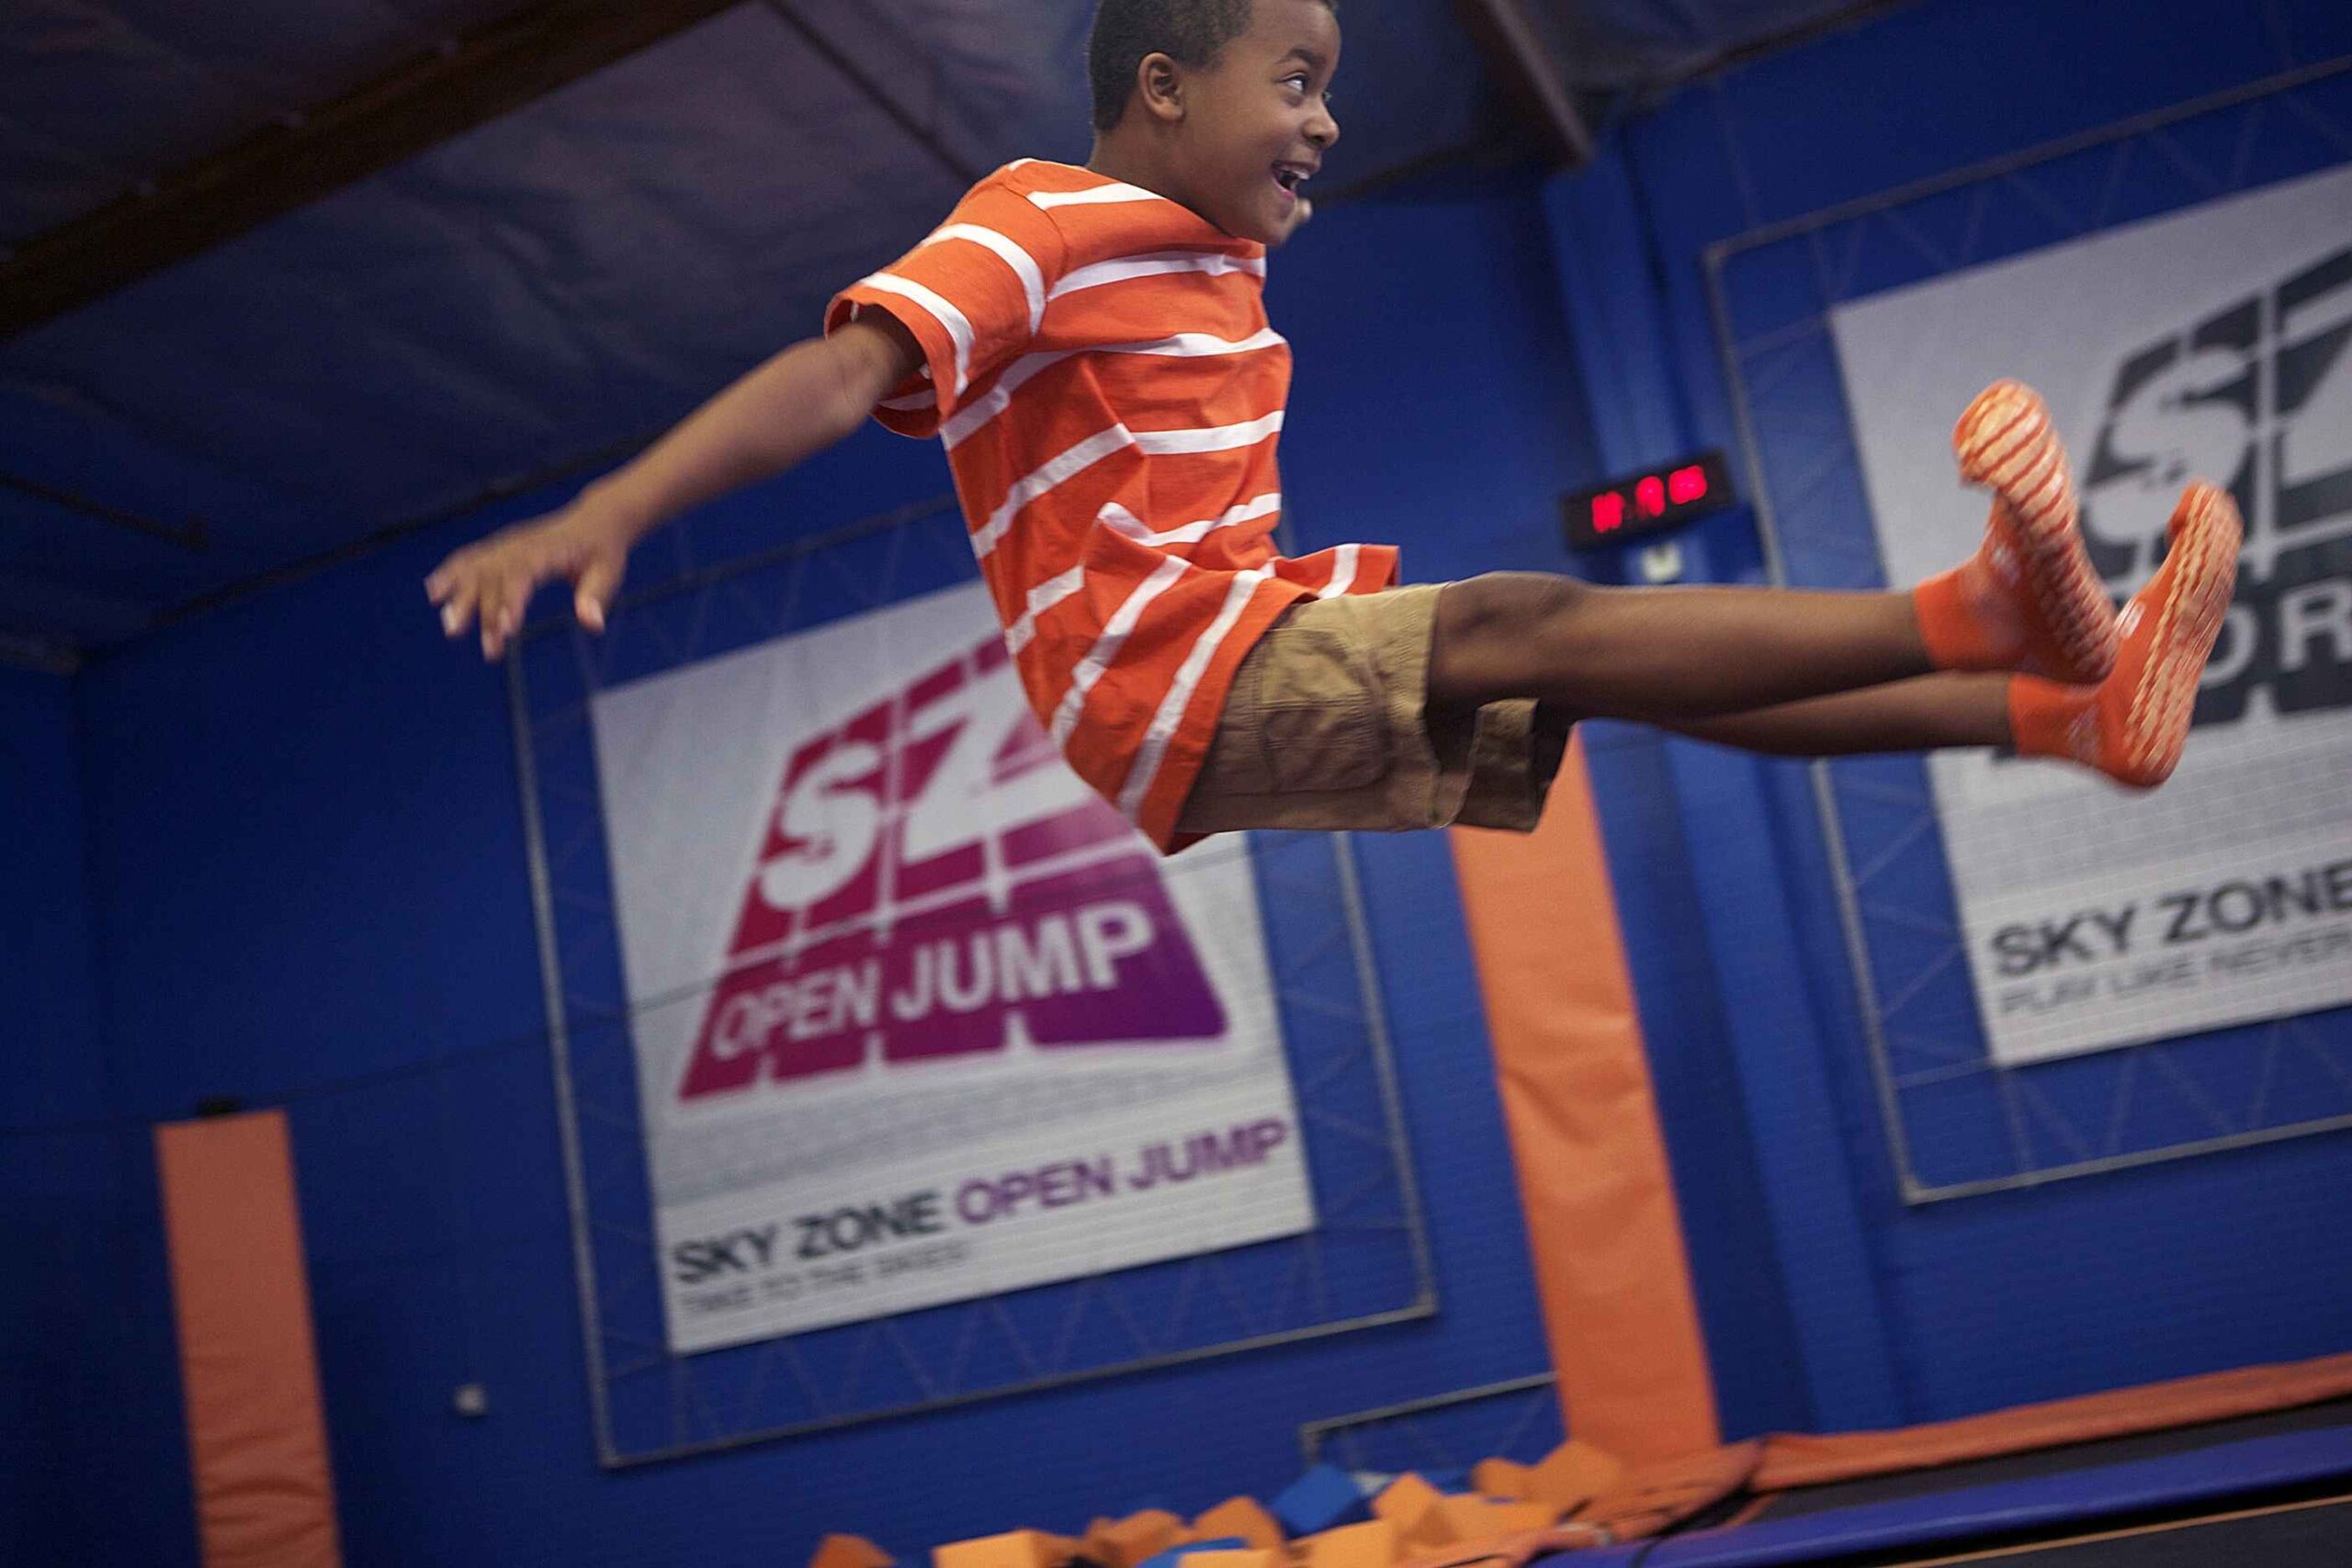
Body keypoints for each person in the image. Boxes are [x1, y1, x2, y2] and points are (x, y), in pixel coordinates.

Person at [425, 0, 2240, 852]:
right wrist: (615, 505)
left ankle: (2068, 713)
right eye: (1290, 82)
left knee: (1624, 677)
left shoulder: (1209, 267)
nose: (1319, 125)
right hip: (1157, 676)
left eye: (1329, 93)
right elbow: (844, 369)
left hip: (1217, 649)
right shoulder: (1040, 219)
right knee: (1530, 620)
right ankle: (1979, 614)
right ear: (1158, 88)